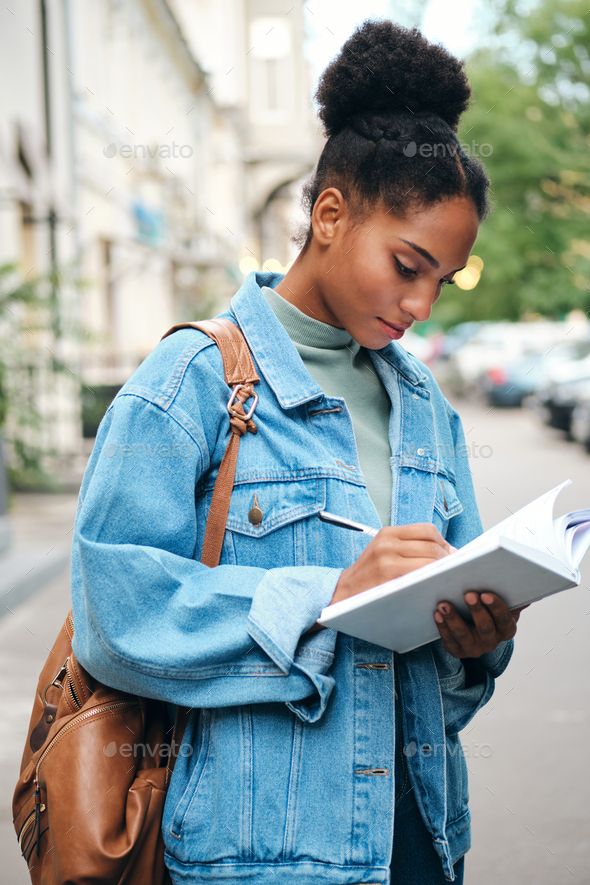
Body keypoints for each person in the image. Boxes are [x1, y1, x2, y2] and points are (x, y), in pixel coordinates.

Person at [71, 19, 524, 885]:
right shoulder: (193, 381)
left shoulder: (425, 406)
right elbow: (116, 616)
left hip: (424, 842)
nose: (422, 305)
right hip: (260, 859)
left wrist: (475, 641)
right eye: (407, 265)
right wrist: (329, 596)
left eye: (441, 279)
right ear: (329, 214)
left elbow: (445, 682)